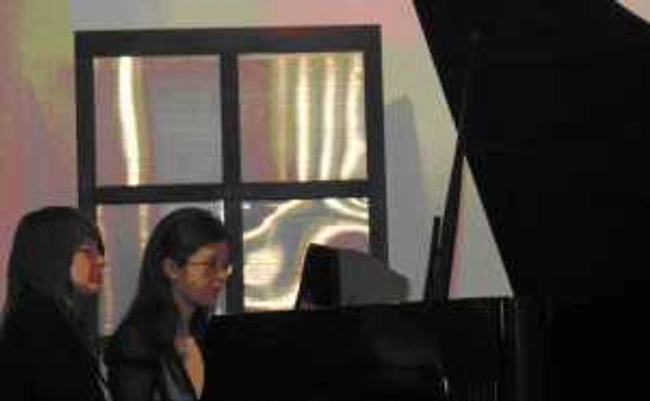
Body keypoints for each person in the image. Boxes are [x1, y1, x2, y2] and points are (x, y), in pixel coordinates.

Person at [105, 207, 234, 401]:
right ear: (171, 268)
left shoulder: (210, 336)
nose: (222, 275)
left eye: (225, 266)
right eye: (210, 265)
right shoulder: (134, 342)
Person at [0, 206, 110, 401]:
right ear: (53, 255)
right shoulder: (39, 321)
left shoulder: (43, 314)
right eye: (87, 251)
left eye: (98, 250)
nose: (100, 261)